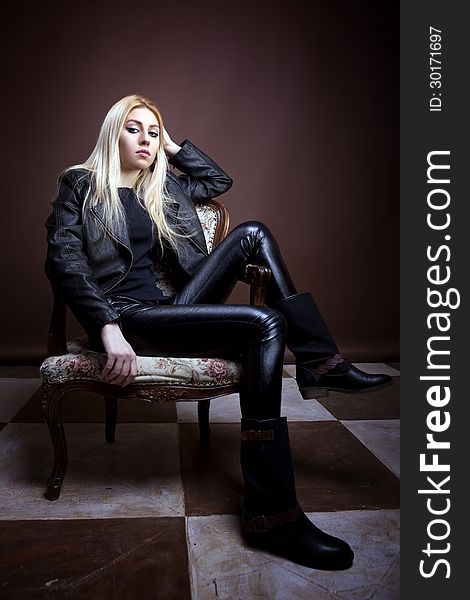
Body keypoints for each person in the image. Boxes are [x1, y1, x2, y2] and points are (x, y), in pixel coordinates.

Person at [45, 94, 392, 571]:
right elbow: (63, 260)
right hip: (127, 317)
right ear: (111, 134)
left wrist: (168, 145)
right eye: (134, 129)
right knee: (266, 324)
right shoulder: (80, 185)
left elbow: (217, 180)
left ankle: (320, 364)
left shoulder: (163, 188)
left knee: (253, 231)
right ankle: (273, 512)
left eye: (153, 130)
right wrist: (106, 327)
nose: (145, 138)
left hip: (170, 310)